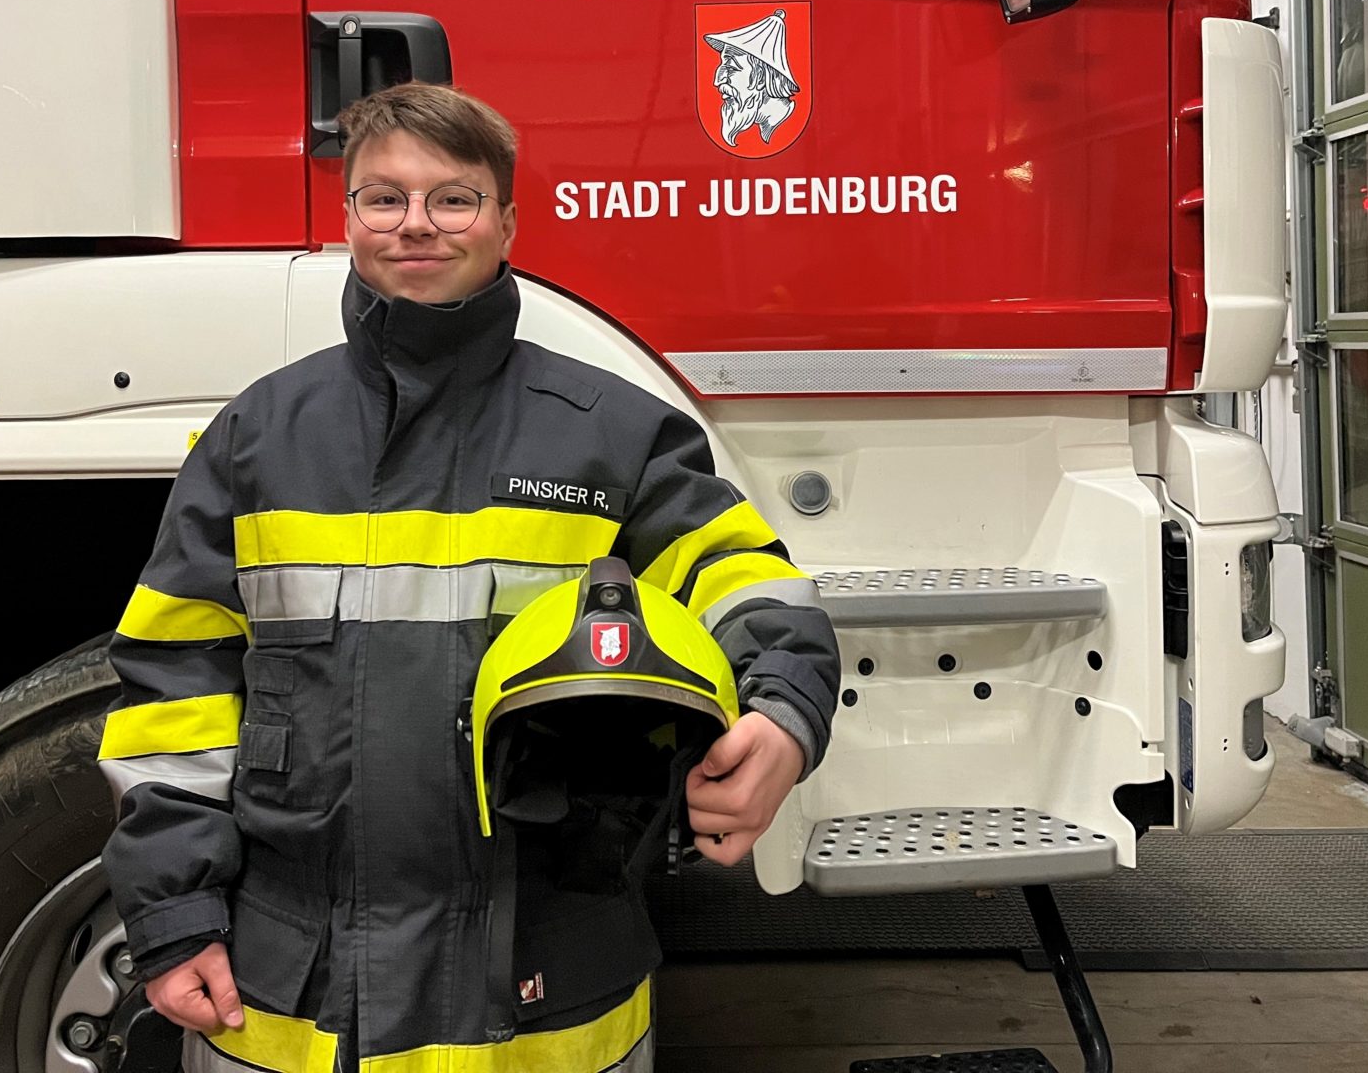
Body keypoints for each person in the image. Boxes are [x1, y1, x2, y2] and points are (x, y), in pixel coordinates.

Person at [98, 83, 840, 1072]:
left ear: (506, 224)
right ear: (348, 219)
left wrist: (784, 715)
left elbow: (747, 582)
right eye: (384, 198)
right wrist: (174, 912)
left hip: (547, 1000)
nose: (417, 224)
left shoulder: (614, 435)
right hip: (289, 1001)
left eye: (453, 198)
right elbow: (172, 691)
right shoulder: (255, 440)